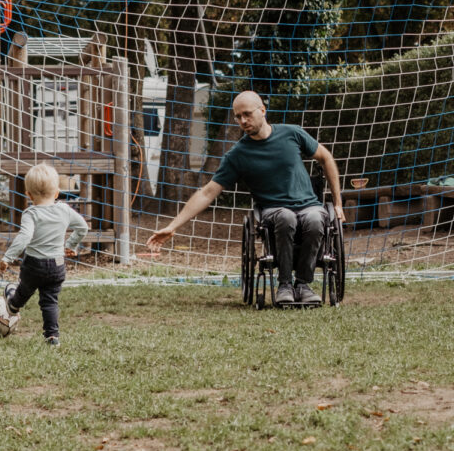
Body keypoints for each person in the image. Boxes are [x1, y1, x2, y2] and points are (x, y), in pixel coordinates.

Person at [147, 90, 345, 305]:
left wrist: (337, 203)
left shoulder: (292, 134)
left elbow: (325, 158)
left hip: (308, 205)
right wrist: (173, 226)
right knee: (286, 217)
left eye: (247, 114)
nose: (243, 120)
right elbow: (207, 192)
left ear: (262, 111)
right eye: (238, 116)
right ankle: (285, 285)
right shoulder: (238, 154)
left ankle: (303, 285)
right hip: (273, 210)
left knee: (317, 219)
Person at [0, 163, 88, 346]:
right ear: (56, 193)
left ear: (29, 195)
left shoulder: (31, 213)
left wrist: (8, 257)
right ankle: (52, 336)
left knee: (25, 289)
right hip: (57, 265)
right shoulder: (64, 209)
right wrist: (71, 244)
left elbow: (24, 237)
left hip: (34, 265)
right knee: (50, 301)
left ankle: (14, 305)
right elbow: (83, 227)